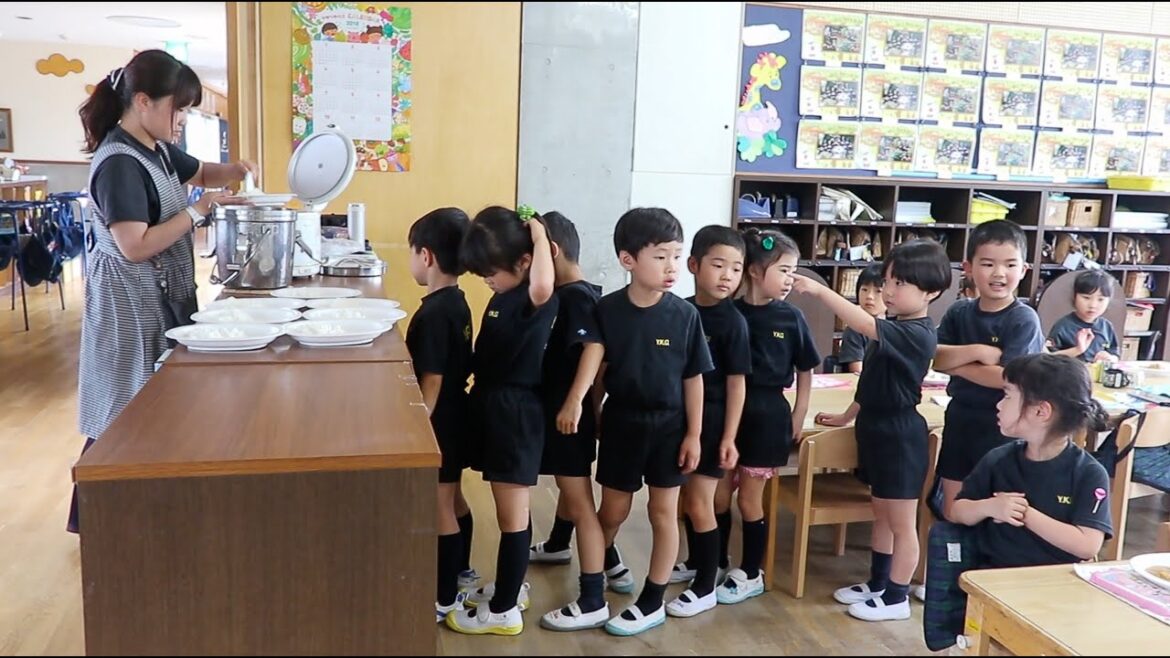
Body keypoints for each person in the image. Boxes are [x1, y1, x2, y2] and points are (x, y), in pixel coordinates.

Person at [70, 49, 255, 534]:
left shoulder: (154, 146)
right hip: (127, 304)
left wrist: (235, 170)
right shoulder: (118, 162)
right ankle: (100, 522)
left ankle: (138, 514)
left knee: (153, 403)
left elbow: (200, 174)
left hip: (159, 294)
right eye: (181, 109)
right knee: (124, 407)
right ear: (144, 101)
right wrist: (198, 212)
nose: (183, 119)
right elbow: (134, 245)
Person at [796, 240, 952, 621]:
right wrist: (846, 416)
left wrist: (819, 289)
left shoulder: (916, 332)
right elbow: (870, 385)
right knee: (880, 512)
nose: (887, 290)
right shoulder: (896, 326)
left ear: (930, 292)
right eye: (887, 281)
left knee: (901, 522)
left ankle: (897, 596)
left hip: (901, 434)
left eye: (899, 284)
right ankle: (879, 582)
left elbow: (865, 322)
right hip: (875, 428)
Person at [580, 208, 713, 636]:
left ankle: (653, 598)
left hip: (670, 427)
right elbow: (598, 371)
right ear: (628, 260)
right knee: (612, 510)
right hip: (621, 422)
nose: (672, 266)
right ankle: (598, 575)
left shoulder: (685, 315)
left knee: (663, 511)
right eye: (661, 256)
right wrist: (594, 411)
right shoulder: (607, 310)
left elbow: (693, 379)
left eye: (677, 255)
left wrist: (694, 434)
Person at [446, 205, 557, 636]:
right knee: (513, 512)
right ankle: (513, 588)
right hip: (495, 407)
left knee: (512, 517)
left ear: (525, 262)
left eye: (492, 271)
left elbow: (544, 282)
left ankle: (504, 609)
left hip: (515, 414)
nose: (487, 280)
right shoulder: (505, 294)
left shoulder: (536, 295)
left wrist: (538, 233)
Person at [716, 228, 820, 605]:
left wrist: (800, 412)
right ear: (756, 271)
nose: (791, 279)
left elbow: (807, 368)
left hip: (769, 416)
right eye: (785, 270)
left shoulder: (791, 317)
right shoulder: (730, 312)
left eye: (794, 272)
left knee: (750, 501)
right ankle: (716, 560)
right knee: (719, 496)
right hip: (727, 414)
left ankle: (750, 570)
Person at [952, 353, 1113, 568]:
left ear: (1041, 411)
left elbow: (1087, 546)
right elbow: (956, 511)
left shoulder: (1088, 473)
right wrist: (989, 507)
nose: (999, 405)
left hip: (1056, 584)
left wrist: (1024, 513)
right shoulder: (998, 460)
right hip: (992, 579)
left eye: (1008, 396)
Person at [931, 220, 1045, 523]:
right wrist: (980, 353)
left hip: (1004, 426)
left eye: (1010, 264)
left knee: (998, 510)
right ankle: (949, 566)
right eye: (988, 263)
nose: (999, 273)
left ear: (1024, 270)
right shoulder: (959, 311)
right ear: (968, 267)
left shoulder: (1023, 319)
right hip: (960, 419)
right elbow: (936, 359)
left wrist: (960, 364)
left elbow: (1010, 377)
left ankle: (983, 567)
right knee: (952, 509)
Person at [665, 226, 750, 618]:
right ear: (694, 265)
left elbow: (737, 385)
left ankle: (705, 586)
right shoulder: (679, 311)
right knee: (686, 500)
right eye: (719, 265)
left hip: (714, 421)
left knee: (700, 501)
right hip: (679, 419)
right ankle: (702, 564)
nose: (727, 276)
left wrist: (729, 436)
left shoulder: (734, 323)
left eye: (736, 268)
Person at [533, 211, 611, 632]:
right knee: (570, 488)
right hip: (570, 413)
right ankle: (560, 546)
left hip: (569, 416)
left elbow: (594, 350)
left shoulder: (577, 297)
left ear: (553, 252)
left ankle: (594, 596)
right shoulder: (575, 294)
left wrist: (576, 403)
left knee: (580, 500)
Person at [404, 207, 475, 624]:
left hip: (441, 420)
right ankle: (462, 570)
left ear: (426, 256)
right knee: (454, 498)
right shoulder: (458, 301)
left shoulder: (433, 313)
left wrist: (417, 431)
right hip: (457, 414)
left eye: (412, 252)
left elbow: (431, 382)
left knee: (439, 507)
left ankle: (444, 595)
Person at [1046, 269, 1121, 363]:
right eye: (1086, 298)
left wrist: (1110, 358)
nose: (1093, 305)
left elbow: (1115, 353)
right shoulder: (1063, 326)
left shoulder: (1106, 326)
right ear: (1074, 297)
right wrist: (1077, 350)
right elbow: (1048, 357)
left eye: (1100, 300)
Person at [837, 263, 887, 374]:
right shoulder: (855, 329)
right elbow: (857, 371)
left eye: (878, 291)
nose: (869, 296)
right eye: (864, 289)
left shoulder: (896, 325)